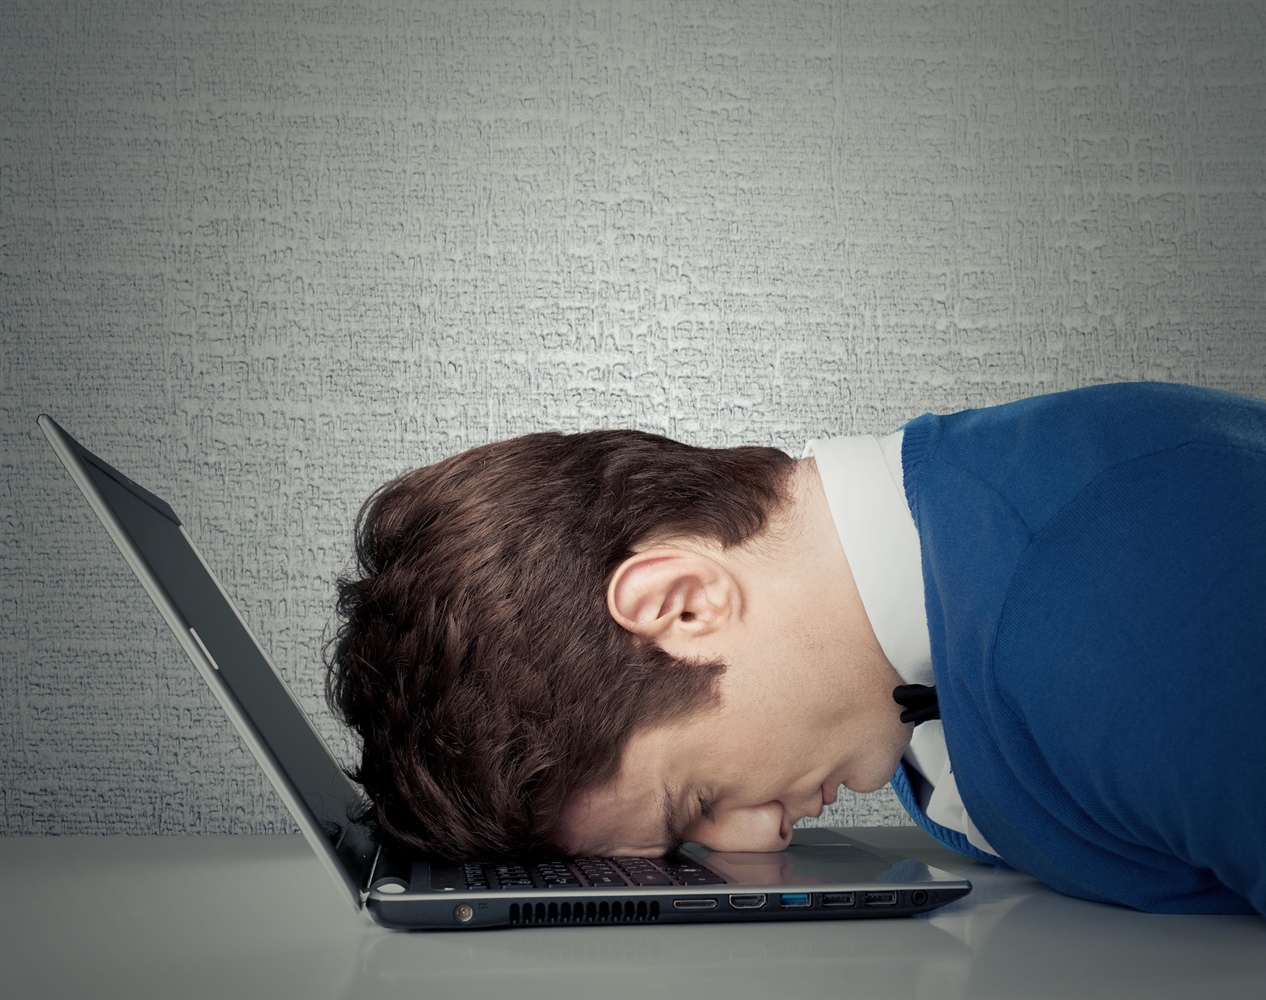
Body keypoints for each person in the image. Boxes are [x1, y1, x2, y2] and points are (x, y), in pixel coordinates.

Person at [326, 381, 1266, 915]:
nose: (761, 844)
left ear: (682, 604)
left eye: (698, 802)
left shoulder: (1117, 600)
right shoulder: (915, 660)